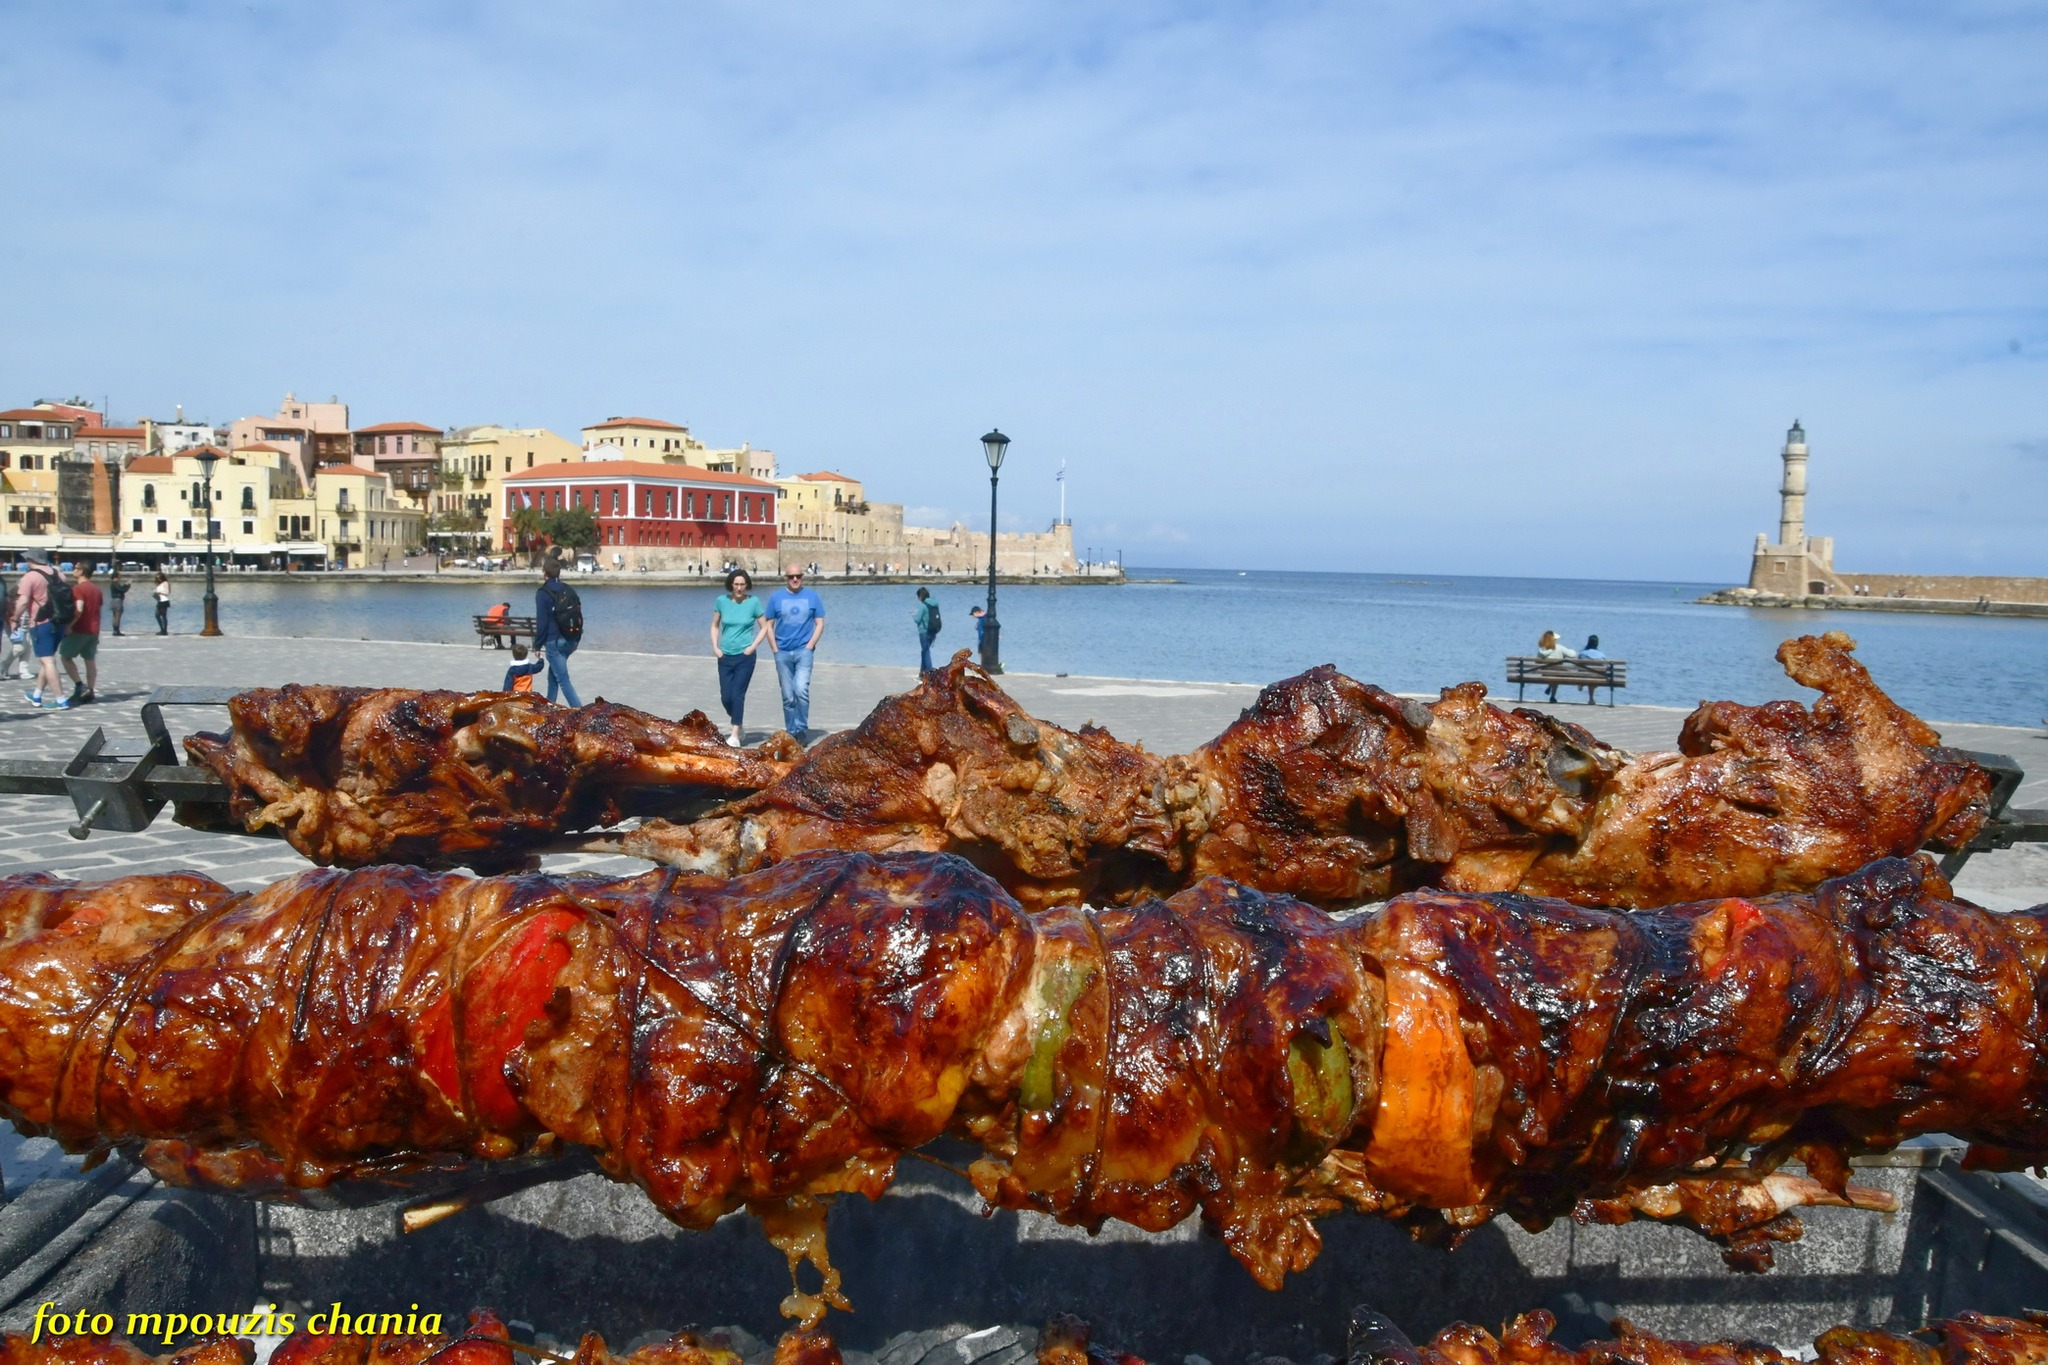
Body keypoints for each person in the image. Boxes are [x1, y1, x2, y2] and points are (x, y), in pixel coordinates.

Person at [765, 565, 826, 741]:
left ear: (802, 577)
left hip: (803, 651)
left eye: (798, 576)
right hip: (782, 651)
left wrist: (810, 645)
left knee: (800, 690)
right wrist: (774, 648)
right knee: (787, 696)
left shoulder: (812, 596)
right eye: (791, 576)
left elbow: (820, 623)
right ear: (786, 577)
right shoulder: (776, 598)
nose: (795, 579)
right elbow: (768, 624)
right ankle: (791, 730)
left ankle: (801, 729)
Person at [710, 569, 769, 746]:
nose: (739, 588)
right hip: (725, 655)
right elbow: (714, 626)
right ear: (731, 585)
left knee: (737, 695)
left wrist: (752, 647)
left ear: (747, 585)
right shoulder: (721, 601)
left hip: (745, 656)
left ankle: (735, 735)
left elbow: (765, 627)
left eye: (742, 584)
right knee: (726, 697)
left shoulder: (753, 603)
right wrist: (715, 647)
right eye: (736, 584)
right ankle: (739, 722)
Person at [16, 549, 70, 709]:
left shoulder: (30, 577)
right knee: (46, 660)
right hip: (60, 622)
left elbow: (23, 601)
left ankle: (60, 699)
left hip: (41, 623)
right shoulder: (59, 574)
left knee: (48, 661)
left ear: (30, 559)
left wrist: (15, 617)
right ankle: (37, 695)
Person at [532, 555, 584, 707]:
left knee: (563, 680)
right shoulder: (568, 589)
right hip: (570, 639)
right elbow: (579, 614)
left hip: (554, 641)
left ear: (544, 573)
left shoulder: (543, 593)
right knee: (553, 675)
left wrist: (537, 645)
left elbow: (542, 622)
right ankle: (550, 705)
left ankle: (579, 712)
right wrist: (577, 639)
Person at [59, 563, 103, 705]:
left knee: (65, 657)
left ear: (82, 571)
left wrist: (69, 625)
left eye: (75, 568)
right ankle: (91, 690)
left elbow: (79, 609)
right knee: (89, 660)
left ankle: (79, 685)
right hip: (93, 630)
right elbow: (98, 610)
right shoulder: (97, 590)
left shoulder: (78, 589)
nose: (73, 570)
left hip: (80, 629)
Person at [1535, 628, 1577, 703]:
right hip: (1558, 673)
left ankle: (1550, 687)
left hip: (1545, 673)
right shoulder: (1559, 647)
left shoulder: (1541, 650)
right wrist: (1570, 650)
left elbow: (1537, 662)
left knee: (1555, 673)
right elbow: (1572, 655)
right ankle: (1552, 696)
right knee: (1558, 673)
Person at [913, 587, 939, 673]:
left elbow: (917, 620)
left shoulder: (923, 606)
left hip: (924, 632)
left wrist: (914, 615)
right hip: (933, 631)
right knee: (924, 651)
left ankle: (929, 671)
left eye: (918, 596)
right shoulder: (935, 605)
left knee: (926, 651)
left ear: (920, 596)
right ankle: (922, 672)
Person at [107, 567, 129, 636]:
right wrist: (127, 585)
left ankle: (115, 630)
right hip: (117, 601)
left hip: (113, 601)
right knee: (117, 616)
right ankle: (116, 631)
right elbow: (122, 590)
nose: (120, 578)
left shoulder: (113, 584)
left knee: (114, 616)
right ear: (116, 577)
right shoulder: (115, 583)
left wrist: (126, 586)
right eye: (119, 577)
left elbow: (121, 589)